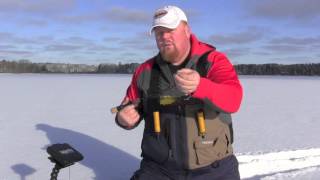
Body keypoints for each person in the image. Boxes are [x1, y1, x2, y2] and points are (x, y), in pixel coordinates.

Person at [115, 5, 243, 180]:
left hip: (214, 168)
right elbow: (127, 106)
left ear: (187, 30)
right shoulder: (145, 71)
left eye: (170, 30)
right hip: (159, 169)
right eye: (159, 32)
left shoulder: (214, 61)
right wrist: (124, 119)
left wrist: (201, 86)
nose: (164, 36)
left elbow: (233, 99)